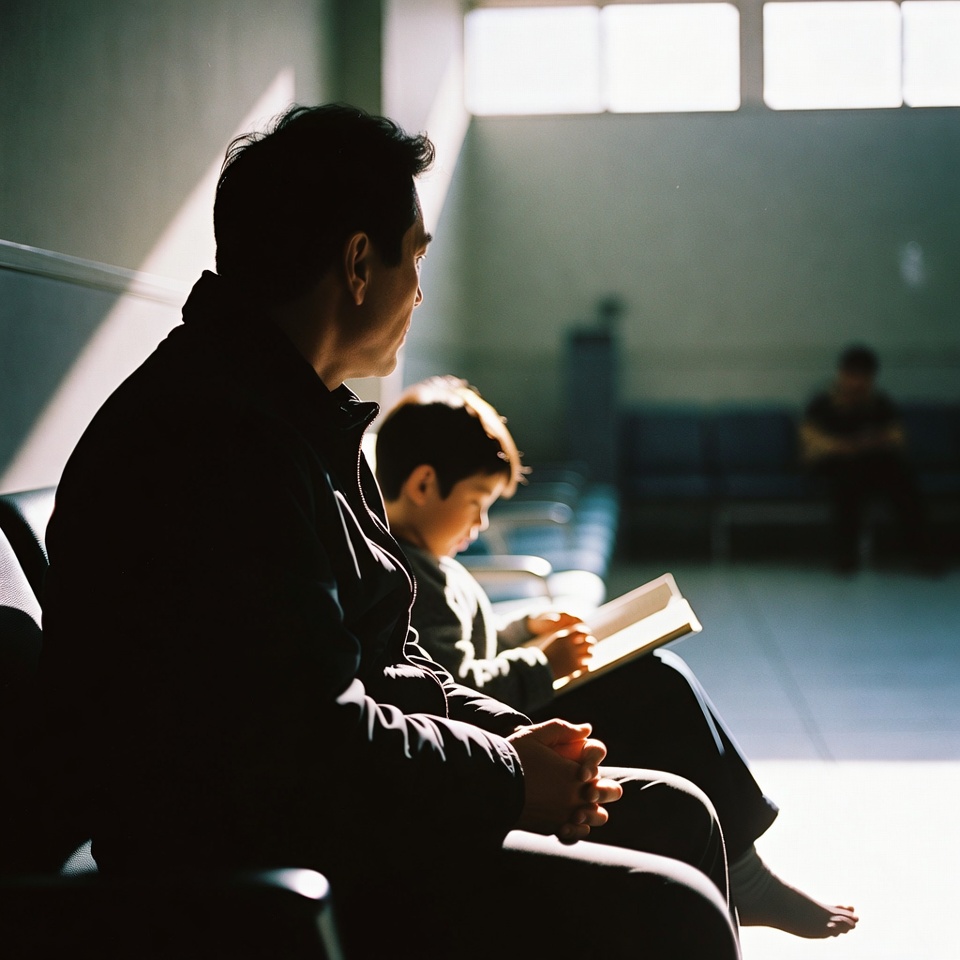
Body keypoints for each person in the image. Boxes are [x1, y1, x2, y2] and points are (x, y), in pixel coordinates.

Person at [32, 104, 740, 959]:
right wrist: (510, 773)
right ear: (360, 263)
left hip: (333, 818)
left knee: (675, 811)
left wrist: (508, 741)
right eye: (416, 258)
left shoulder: (296, 421)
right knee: (675, 911)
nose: (419, 289)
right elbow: (307, 746)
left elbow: (393, 663)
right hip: (255, 882)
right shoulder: (212, 444)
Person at [376, 374, 859, 941]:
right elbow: (453, 684)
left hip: (514, 694)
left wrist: (523, 626)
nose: (482, 525)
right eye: (478, 503)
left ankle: (741, 864)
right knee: (655, 687)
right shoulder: (412, 574)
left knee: (659, 678)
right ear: (424, 484)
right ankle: (744, 872)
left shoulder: (433, 561)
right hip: (507, 726)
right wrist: (546, 663)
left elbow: (467, 638)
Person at [801, 344, 932, 572]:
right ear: (842, 374)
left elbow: (897, 437)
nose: (858, 383)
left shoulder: (879, 404)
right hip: (835, 464)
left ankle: (922, 553)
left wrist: (873, 442)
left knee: (903, 481)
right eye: (853, 376)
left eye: (864, 377)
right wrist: (844, 446)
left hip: (872, 463)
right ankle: (846, 555)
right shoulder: (823, 404)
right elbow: (811, 440)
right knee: (846, 481)